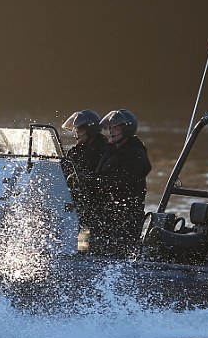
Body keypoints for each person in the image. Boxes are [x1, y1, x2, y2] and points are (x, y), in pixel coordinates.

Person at [94, 109, 152, 258]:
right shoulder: (112, 150)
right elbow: (100, 174)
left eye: (116, 127)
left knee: (119, 253)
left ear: (127, 129)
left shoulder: (136, 154)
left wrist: (96, 183)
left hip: (126, 215)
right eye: (111, 127)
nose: (111, 131)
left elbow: (121, 181)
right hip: (109, 213)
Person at [61, 109, 109, 241]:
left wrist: (82, 177)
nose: (76, 132)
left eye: (80, 129)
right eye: (76, 129)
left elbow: (101, 177)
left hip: (96, 201)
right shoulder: (75, 151)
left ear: (90, 130)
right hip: (77, 197)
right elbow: (64, 169)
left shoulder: (104, 150)